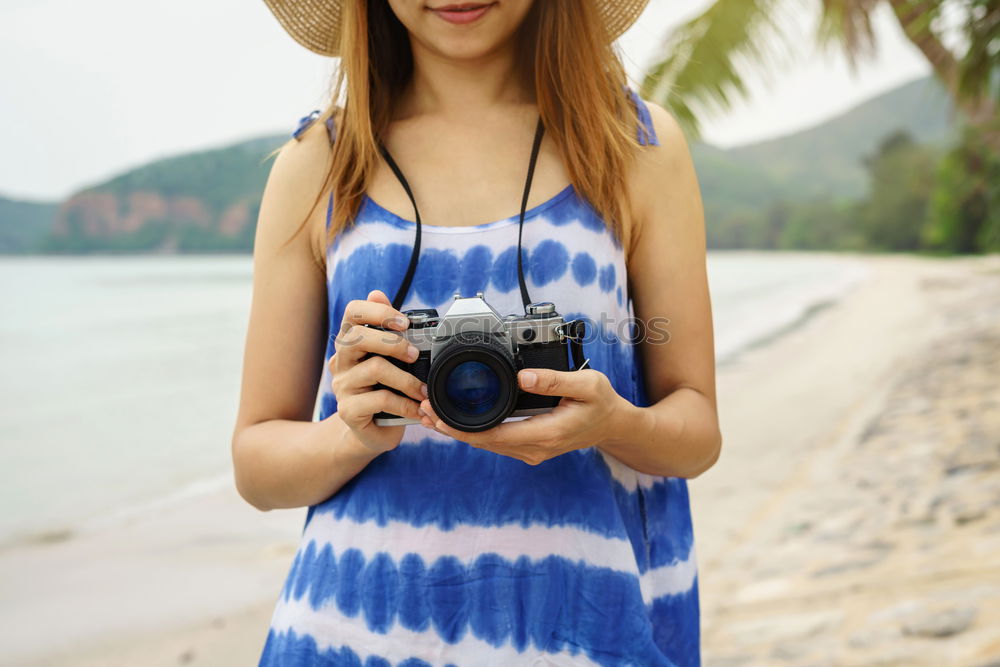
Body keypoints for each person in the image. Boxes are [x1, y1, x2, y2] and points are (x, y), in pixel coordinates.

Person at [232, 0, 721, 664]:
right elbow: (257, 467)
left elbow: (696, 434)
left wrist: (609, 423)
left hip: (583, 631)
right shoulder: (319, 162)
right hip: (351, 633)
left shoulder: (632, 144)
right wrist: (349, 433)